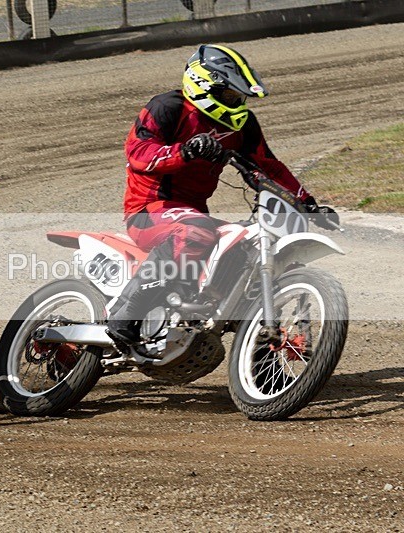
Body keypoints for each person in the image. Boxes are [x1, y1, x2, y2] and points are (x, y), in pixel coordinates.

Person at [106, 44, 338, 347]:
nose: (237, 104)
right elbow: (138, 152)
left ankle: (263, 356)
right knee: (196, 231)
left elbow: (268, 166)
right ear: (205, 85)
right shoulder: (168, 107)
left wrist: (308, 204)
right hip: (149, 209)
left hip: (193, 212)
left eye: (240, 98)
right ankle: (127, 315)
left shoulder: (242, 125)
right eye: (231, 96)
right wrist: (184, 151)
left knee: (245, 246)